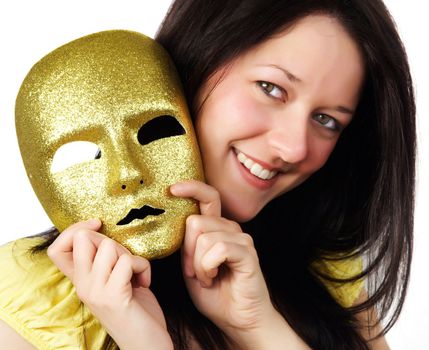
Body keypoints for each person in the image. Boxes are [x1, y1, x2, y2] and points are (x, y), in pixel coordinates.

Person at [0, 0, 415, 349]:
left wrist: (259, 327)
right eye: (271, 88)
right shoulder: (32, 303)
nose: (294, 147)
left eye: (326, 120)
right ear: (198, 61)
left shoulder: (327, 274)